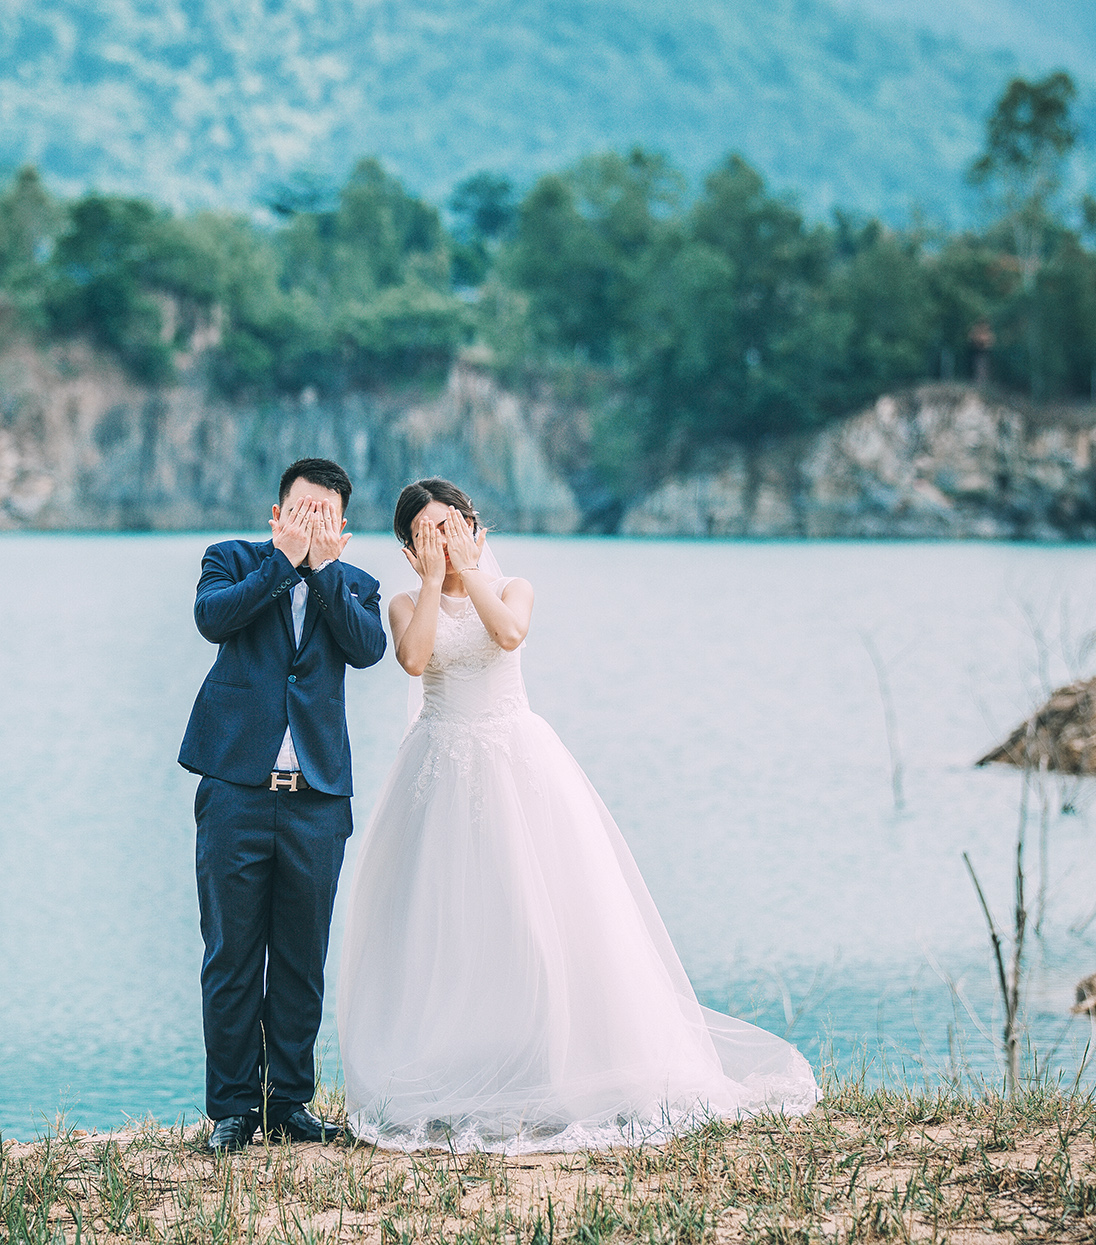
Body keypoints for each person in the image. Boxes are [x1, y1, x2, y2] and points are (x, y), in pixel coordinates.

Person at [335, 478, 818, 1152]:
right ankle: (457, 1070)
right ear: (408, 548)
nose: (440, 539)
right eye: (425, 532)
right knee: (448, 921)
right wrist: (435, 580)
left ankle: (555, 1065)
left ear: (473, 526)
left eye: (450, 525)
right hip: (438, 769)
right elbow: (415, 660)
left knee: (542, 916)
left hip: (515, 763)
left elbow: (508, 635)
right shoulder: (405, 603)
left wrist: (470, 571)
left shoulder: (513, 588)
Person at [178, 457, 387, 1152]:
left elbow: (367, 648)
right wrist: (283, 562)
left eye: (325, 516)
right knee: (231, 956)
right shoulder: (231, 561)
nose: (312, 524)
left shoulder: (355, 585)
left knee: (302, 958)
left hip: (316, 801)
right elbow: (212, 620)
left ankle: (289, 1103)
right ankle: (233, 1108)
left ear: (343, 526)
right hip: (234, 792)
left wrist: (321, 571)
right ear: (277, 515)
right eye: (301, 512)